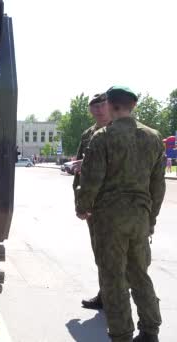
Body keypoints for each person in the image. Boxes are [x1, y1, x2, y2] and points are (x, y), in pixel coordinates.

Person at [76, 86, 164, 342]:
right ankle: (150, 330)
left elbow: (91, 181)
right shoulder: (154, 137)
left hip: (110, 219)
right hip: (140, 217)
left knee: (113, 278)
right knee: (139, 275)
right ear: (133, 106)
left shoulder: (103, 137)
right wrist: (151, 218)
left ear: (112, 106)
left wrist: (83, 208)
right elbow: (158, 185)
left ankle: (122, 335)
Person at [72, 93, 111, 310]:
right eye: (94, 106)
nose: (98, 110)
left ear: (110, 105)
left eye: (102, 105)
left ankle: (118, 298)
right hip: (93, 204)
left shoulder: (118, 130)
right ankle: (105, 294)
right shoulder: (88, 134)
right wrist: (80, 202)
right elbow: (79, 172)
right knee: (99, 251)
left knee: (118, 254)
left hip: (113, 201)